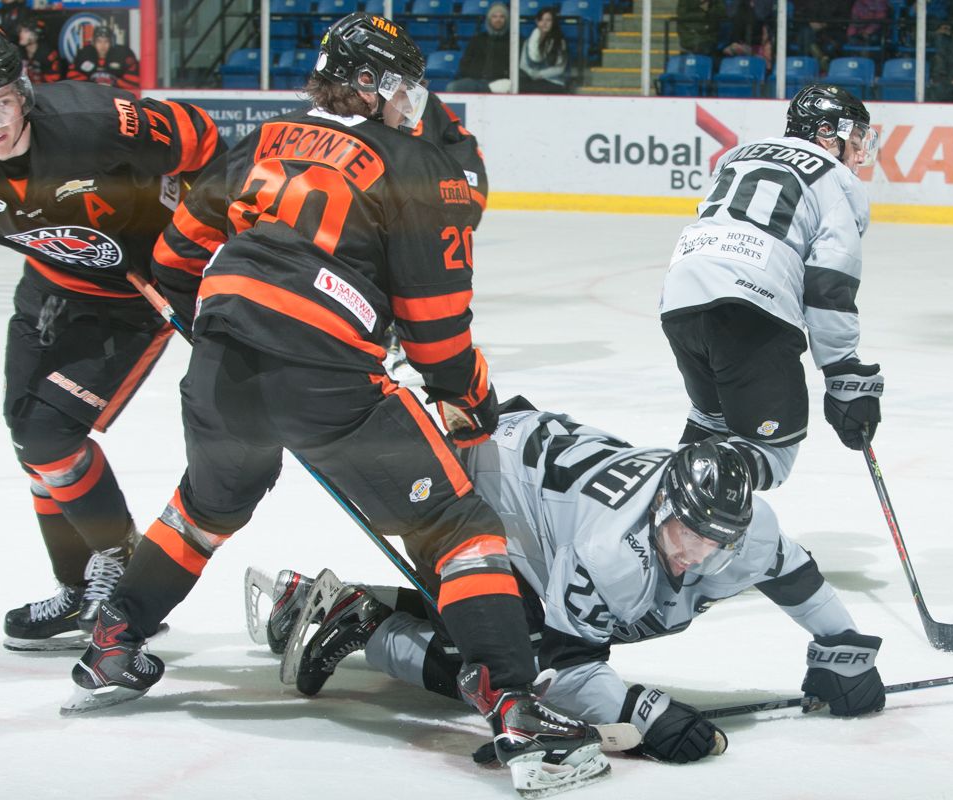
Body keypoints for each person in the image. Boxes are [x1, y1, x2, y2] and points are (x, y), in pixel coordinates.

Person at [64, 14, 611, 797]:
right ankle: (518, 709)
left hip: (222, 363)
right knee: (456, 527)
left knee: (206, 506)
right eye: (398, 86)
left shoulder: (263, 137)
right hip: (328, 376)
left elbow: (177, 253)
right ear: (367, 84)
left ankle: (113, 642)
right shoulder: (411, 164)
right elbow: (436, 334)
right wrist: (475, 400)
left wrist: (216, 321)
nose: (408, 102)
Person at [265, 402, 886, 765]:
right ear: (661, 509)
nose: (697, 556)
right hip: (477, 482)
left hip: (536, 474)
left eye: (714, 542)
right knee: (511, 676)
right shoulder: (612, 551)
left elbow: (793, 574)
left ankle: (363, 606)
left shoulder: (736, 528)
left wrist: (843, 648)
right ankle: (364, 622)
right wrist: (638, 711)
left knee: (519, 628)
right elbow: (562, 671)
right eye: (686, 535)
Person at [0, 37, 222, 651]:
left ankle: (117, 561)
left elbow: (200, 138)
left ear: (23, 95)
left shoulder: (91, 121)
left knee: (50, 434)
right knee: (34, 443)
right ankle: (77, 591)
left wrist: (198, 241)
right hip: (47, 284)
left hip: (131, 299)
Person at [658, 84, 882, 492]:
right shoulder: (837, 181)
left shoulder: (737, 155)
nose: (859, 148)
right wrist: (842, 370)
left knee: (712, 425)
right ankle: (691, 515)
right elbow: (829, 282)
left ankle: (661, 520)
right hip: (750, 305)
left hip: (680, 297)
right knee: (771, 451)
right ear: (826, 134)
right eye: (853, 136)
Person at [447, 2, 511, 93]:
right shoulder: (477, 39)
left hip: (501, 82)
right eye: (494, 16)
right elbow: (465, 63)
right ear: (489, 19)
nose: (498, 20)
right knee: (453, 87)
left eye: (502, 16)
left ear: (506, 19)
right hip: (476, 81)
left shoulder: (514, 41)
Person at [66, 26, 139, 91]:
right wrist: (91, 86)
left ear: (111, 43)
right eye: (99, 41)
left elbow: (134, 82)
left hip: (114, 96)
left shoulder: (122, 56)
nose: (102, 45)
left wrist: (115, 85)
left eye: (106, 41)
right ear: (94, 43)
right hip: (90, 97)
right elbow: (72, 80)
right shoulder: (84, 55)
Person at [519, 7, 568, 94]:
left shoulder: (560, 42)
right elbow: (523, 65)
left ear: (553, 22)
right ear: (537, 22)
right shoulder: (528, 42)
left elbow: (560, 68)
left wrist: (540, 75)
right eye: (541, 20)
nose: (544, 23)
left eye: (548, 20)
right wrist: (532, 74)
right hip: (533, 80)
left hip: (553, 82)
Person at [15, 15, 62, 84]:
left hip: (44, 91)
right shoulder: (18, 51)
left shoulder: (47, 54)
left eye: (26, 31)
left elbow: (53, 82)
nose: (21, 34)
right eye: (21, 30)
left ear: (37, 34)